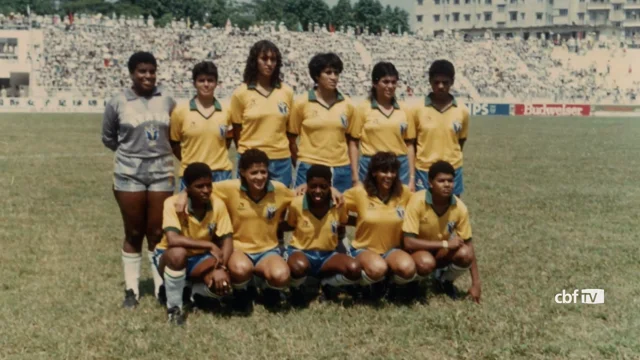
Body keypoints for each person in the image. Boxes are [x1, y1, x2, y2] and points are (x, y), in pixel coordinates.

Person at [101, 51, 175, 308]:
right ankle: (131, 290)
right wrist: (132, 156)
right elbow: (108, 137)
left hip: (161, 172)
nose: (148, 76)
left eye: (152, 71)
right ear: (132, 73)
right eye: (142, 71)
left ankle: (160, 288)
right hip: (129, 173)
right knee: (133, 232)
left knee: (156, 232)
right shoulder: (118, 101)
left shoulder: (166, 99)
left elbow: (174, 134)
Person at [154, 163, 233, 325]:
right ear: (187, 188)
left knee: (222, 283)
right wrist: (209, 245)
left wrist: (220, 268)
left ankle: (192, 292)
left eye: (208, 185)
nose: (205, 190)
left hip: (199, 259)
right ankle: (174, 308)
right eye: (199, 186)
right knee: (178, 253)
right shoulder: (172, 203)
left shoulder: (217, 204)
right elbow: (173, 240)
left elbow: (227, 241)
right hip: (169, 257)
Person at [402, 160, 481, 303]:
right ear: (431, 182)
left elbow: (469, 244)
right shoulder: (417, 201)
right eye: (441, 181)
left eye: (450, 181)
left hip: (439, 253)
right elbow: (408, 242)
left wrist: (476, 283)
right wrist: (445, 244)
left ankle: (444, 281)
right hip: (417, 251)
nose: (446, 184)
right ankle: (414, 285)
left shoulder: (459, 207)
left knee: (465, 253)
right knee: (426, 262)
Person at [284, 165, 361, 305]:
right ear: (306, 186)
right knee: (298, 267)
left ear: (330, 186)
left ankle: (328, 284)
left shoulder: (339, 203)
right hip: (302, 252)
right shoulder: (297, 203)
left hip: (328, 255)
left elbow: (343, 223)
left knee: (354, 269)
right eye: (313, 186)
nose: (318, 191)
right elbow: (291, 223)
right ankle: (298, 288)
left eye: (323, 186)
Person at [343, 152, 415, 300]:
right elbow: (337, 207)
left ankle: (389, 284)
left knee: (408, 269)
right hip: (364, 248)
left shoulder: (404, 193)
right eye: (384, 171)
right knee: (377, 268)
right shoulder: (359, 192)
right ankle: (357, 284)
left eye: (392, 171)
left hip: (392, 250)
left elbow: (419, 207)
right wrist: (357, 221)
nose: (389, 175)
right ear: (374, 172)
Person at [288, 53, 357, 193]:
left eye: (336, 73)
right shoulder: (302, 103)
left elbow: (352, 141)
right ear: (317, 76)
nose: (333, 77)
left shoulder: (348, 104)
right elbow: (291, 139)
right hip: (309, 166)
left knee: (341, 211)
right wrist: (302, 163)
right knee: (304, 210)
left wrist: (354, 173)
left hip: (341, 168)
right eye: (328, 72)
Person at [230, 40, 294, 187]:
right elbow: (237, 131)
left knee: (280, 207)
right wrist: (248, 154)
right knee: (248, 207)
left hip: (280, 160)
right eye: (264, 59)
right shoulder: (241, 93)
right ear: (255, 61)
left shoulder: (287, 92)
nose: (269, 63)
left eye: (273, 59)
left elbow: (289, 131)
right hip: (250, 160)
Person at [350, 62, 416, 190]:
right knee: (371, 206)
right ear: (375, 83)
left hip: (399, 165)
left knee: (399, 207)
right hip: (371, 165)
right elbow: (353, 143)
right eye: (385, 82)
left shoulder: (405, 110)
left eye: (393, 82)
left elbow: (409, 145)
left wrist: (412, 178)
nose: (390, 86)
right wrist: (355, 177)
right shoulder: (362, 109)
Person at [170, 61, 233, 191]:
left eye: (210, 80)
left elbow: (228, 140)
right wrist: (191, 162)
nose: (206, 84)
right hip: (191, 174)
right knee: (190, 211)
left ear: (216, 83)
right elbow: (174, 143)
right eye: (201, 80)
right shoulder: (180, 111)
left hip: (221, 173)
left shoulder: (227, 110)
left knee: (221, 211)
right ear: (194, 83)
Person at [412, 60, 469, 196]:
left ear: (452, 82)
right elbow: (412, 143)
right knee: (423, 212)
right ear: (430, 81)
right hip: (424, 170)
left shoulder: (462, 110)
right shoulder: (417, 109)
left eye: (445, 82)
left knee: (452, 211)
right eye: (436, 82)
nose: (441, 86)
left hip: (453, 169)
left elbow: (460, 141)